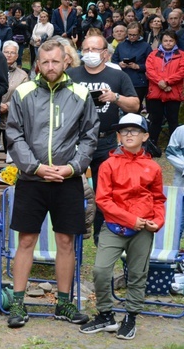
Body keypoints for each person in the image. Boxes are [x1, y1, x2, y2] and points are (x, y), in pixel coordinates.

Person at [5, 39, 99, 328]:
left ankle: (64, 303)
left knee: (66, 242)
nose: (49, 67)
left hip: (67, 180)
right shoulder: (23, 92)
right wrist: (36, 168)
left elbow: (89, 135)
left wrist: (72, 168)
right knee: (26, 241)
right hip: (32, 179)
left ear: (65, 61)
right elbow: (14, 134)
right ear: (37, 64)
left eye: (55, 61)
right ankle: (18, 304)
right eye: (44, 62)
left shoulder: (81, 93)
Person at [79, 113, 165, 340]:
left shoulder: (153, 168)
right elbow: (103, 200)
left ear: (145, 136)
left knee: (137, 274)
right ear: (117, 136)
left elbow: (158, 199)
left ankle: (131, 317)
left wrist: (158, 221)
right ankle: (105, 314)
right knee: (100, 270)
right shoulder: (108, 165)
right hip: (114, 227)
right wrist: (130, 219)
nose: (129, 134)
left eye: (134, 130)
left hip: (144, 229)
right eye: (124, 131)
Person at [67, 35, 140, 244]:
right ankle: (74, 230)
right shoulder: (71, 75)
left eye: (95, 49)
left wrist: (115, 98)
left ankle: (100, 231)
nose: (89, 53)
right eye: (86, 49)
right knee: (72, 187)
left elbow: (135, 105)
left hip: (105, 140)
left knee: (104, 189)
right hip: (75, 141)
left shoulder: (118, 76)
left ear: (105, 53)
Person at [145, 30, 184, 149]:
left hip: (173, 92)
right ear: (161, 41)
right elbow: (149, 70)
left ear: (175, 41)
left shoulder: (182, 55)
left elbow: (181, 72)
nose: (168, 43)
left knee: (173, 121)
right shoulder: (153, 54)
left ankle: (174, 146)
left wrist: (167, 82)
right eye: (165, 40)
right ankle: (152, 146)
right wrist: (160, 82)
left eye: (171, 40)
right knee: (155, 120)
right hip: (156, 92)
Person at [0, 41, 29, 153]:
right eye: (6, 52)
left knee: (11, 153)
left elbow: (25, 97)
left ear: (17, 56)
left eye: (12, 52)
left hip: (12, 119)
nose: (9, 55)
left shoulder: (23, 76)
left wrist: (8, 106)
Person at [112, 22, 151, 105]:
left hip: (139, 82)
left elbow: (151, 65)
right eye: (130, 35)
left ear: (139, 34)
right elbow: (113, 61)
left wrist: (138, 66)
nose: (132, 37)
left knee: (135, 107)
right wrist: (119, 64)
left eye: (135, 35)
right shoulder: (121, 45)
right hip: (123, 80)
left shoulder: (146, 46)